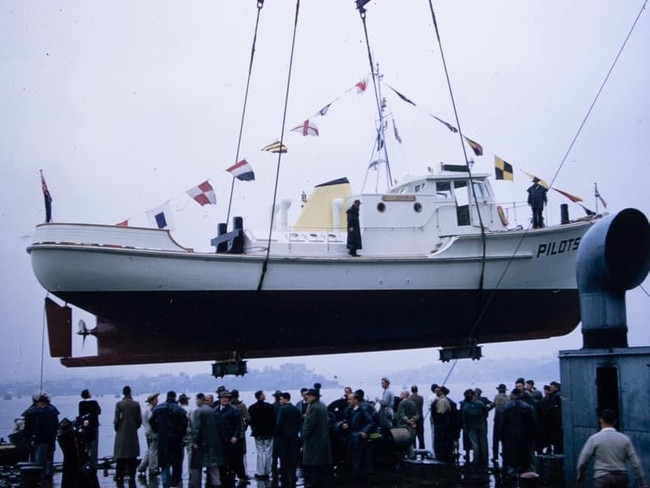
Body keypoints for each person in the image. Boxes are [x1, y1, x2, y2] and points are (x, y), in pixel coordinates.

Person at [576, 408, 647, 488]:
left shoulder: (594, 439)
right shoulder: (625, 439)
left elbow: (582, 461)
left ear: (601, 420)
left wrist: (580, 475)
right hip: (621, 479)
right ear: (615, 421)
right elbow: (636, 463)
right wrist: (642, 482)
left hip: (602, 478)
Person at [150, 391, 188, 488]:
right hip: (176, 440)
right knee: (176, 464)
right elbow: (184, 424)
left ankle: (166, 484)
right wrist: (181, 433)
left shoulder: (158, 409)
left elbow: (151, 421)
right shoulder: (179, 410)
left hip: (163, 440)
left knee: (164, 464)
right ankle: (176, 483)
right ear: (175, 398)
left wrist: (157, 430)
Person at [498, 388, 537, 481]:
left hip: (509, 435)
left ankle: (511, 475)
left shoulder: (507, 406)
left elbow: (503, 422)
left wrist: (500, 434)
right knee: (523, 454)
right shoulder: (527, 406)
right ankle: (524, 473)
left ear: (512, 394)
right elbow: (532, 422)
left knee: (510, 455)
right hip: (524, 435)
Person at [340, 390, 376, 483]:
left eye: (350, 400)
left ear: (356, 400)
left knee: (358, 459)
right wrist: (345, 423)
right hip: (352, 437)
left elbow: (371, 422)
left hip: (358, 438)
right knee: (352, 458)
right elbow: (348, 419)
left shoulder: (362, 410)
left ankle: (359, 479)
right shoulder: (351, 410)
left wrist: (364, 431)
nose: (348, 402)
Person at [301, 388, 332, 488]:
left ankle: (313, 484)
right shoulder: (322, 405)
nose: (306, 397)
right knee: (320, 465)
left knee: (312, 464)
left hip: (313, 440)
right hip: (322, 439)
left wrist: (304, 435)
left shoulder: (313, 407)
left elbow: (310, 424)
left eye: (308, 395)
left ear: (314, 397)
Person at [189, 393, 222, 488]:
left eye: (196, 400)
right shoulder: (211, 410)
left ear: (200, 399)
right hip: (212, 442)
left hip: (201, 443)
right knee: (213, 465)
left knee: (196, 465)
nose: (196, 402)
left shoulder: (198, 411)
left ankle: (195, 485)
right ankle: (217, 483)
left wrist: (194, 442)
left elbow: (196, 428)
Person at [113, 385, 142, 487]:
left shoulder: (119, 404)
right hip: (133, 432)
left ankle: (119, 476)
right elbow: (139, 421)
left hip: (121, 432)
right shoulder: (136, 404)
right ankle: (132, 477)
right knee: (132, 456)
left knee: (120, 456)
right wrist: (134, 427)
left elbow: (116, 420)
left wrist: (118, 429)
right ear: (130, 392)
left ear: (123, 393)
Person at [213, 389, 242, 488]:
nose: (225, 399)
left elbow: (238, 425)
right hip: (219, 440)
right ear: (220, 399)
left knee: (232, 461)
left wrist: (235, 436)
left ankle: (231, 480)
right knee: (220, 462)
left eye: (227, 398)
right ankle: (222, 479)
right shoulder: (215, 410)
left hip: (230, 440)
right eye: (223, 398)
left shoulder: (234, 410)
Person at [275, 392, 301, 488]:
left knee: (283, 458)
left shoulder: (282, 409)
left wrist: (276, 433)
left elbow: (279, 423)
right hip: (294, 436)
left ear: (286, 399)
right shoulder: (296, 409)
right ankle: (292, 476)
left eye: (281, 399)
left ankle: (284, 476)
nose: (280, 401)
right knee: (293, 458)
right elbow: (299, 422)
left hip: (283, 437)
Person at [248, 390, 276, 480]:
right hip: (269, 433)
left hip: (258, 433)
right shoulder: (270, 407)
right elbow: (274, 419)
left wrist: (254, 429)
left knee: (260, 452)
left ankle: (260, 472)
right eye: (263, 394)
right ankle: (267, 471)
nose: (265, 395)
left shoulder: (252, 407)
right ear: (261, 396)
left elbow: (250, 421)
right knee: (268, 452)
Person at [32, 394, 59, 480]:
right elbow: (56, 425)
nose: (37, 404)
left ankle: (41, 476)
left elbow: (38, 426)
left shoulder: (39, 413)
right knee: (50, 459)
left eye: (38, 403)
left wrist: (34, 437)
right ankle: (50, 475)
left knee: (40, 460)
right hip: (51, 438)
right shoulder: (53, 411)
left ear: (41, 402)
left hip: (42, 439)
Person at [460, 389, 488, 469]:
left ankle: (475, 460)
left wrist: (465, 427)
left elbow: (464, 419)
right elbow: (486, 412)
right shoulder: (480, 403)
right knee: (483, 443)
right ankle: (484, 459)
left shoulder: (466, 406)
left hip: (471, 427)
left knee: (475, 444)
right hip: (482, 425)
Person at [229, 389, 250, 485]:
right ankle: (242, 474)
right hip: (240, 433)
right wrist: (244, 427)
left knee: (231, 455)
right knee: (241, 455)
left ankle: (232, 475)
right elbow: (248, 418)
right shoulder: (242, 406)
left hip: (230, 434)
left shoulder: (228, 407)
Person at [137, 393, 160, 478]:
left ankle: (142, 467)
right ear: (152, 400)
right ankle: (153, 468)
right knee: (154, 450)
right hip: (152, 431)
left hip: (147, 431)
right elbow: (152, 421)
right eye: (156, 399)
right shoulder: (151, 410)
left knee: (149, 449)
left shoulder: (145, 409)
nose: (157, 400)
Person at [78, 389, 101, 469]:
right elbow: (99, 412)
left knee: (86, 446)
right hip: (94, 426)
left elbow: (81, 415)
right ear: (88, 394)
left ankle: (85, 463)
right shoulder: (94, 402)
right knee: (94, 446)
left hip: (85, 427)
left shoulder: (81, 404)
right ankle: (94, 464)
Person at [492, 383, 509, 463]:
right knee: (504, 439)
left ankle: (495, 456)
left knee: (495, 439)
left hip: (497, 420)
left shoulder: (497, 397)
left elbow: (494, 405)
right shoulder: (508, 398)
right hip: (506, 421)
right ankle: (504, 453)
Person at [408, 385, 425, 450]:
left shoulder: (409, 398)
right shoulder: (421, 398)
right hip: (420, 418)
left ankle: (414, 449)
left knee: (413, 435)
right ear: (417, 390)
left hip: (413, 419)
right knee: (421, 436)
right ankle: (422, 450)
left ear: (411, 390)